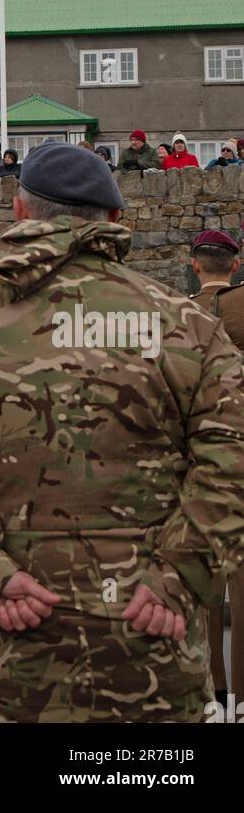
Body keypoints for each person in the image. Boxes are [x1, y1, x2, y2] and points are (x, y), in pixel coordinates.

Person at [0, 142, 244, 723]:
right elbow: (231, 457)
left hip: (7, 647)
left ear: (21, 212)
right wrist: (178, 575)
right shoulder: (187, 325)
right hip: (150, 643)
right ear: (115, 222)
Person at [189, 230, 244, 705]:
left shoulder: (179, 312)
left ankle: (213, 693)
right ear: (235, 263)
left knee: (203, 588)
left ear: (194, 265)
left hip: (198, 467)